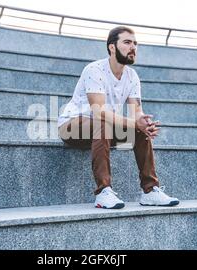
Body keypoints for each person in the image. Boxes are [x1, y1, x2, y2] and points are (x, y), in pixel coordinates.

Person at [58, 26, 179, 209]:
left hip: (102, 131)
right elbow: (98, 111)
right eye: (127, 42)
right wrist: (134, 123)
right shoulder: (95, 70)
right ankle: (103, 192)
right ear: (112, 47)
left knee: (140, 131)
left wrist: (144, 123)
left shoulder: (132, 76)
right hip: (72, 126)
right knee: (103, 123)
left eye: (135, 44)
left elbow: (136, 111)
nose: (133, 47)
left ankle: (150, 190)